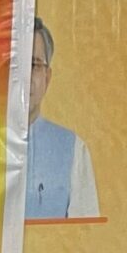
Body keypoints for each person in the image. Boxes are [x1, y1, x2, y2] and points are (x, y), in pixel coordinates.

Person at [24, 18, 101, 220]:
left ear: (47, 78)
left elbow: (85, 234)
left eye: (33, 65)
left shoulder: (73, 150)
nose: (24, 76)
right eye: (15, 64)